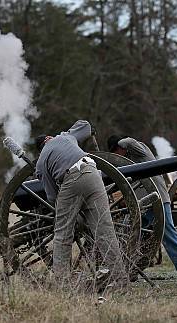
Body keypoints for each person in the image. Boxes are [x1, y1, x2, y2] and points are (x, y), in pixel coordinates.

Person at [35, 120, 126, 285]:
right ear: (49, 138)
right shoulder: (66, 137)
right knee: (105, 230)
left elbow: (52, 197)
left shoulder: (41, 162)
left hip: (70, 178)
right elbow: (85, 126)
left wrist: (69, 209)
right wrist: (66, 133)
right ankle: (119, 279)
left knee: (62, 233)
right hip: (92, 171)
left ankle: (62, 281)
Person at [108, 135, 177, 281]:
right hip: (143, 203)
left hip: (157, 197)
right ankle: (132, 269)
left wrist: (120, 143)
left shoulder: (138, 149)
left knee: (168, 232)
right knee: (135, 234)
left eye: (116, 152)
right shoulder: (128, 159)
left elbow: (128, 141)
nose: (117, 157)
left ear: (119, 148)